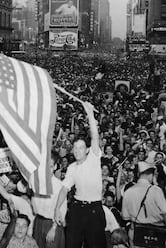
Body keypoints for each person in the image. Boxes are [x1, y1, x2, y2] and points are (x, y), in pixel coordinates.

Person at [54, 101, 106, 248]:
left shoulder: (93, 159)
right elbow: (64, 189)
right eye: (75, 148)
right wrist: (57, 208)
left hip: (94, 210)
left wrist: (89, 113)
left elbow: (95, 137)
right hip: (76, 209)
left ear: (87, 150)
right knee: (71, 244)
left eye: (81, 148)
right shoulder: (71, 168)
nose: (77, 151)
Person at [122, 161, 166, 248]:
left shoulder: (128, 191)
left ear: (139, 174)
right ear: (151, 175)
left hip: (136, 233)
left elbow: (125, 216)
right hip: (156, 233)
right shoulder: (155, 190)